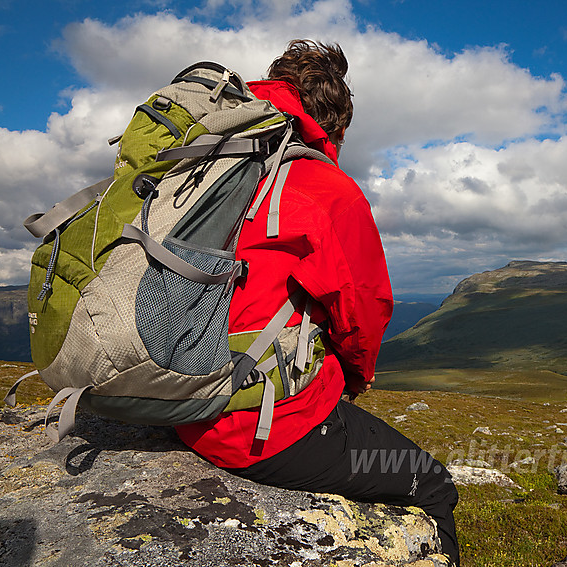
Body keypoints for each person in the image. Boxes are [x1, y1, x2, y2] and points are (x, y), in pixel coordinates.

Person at [174, 40, 460, 565]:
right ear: (339, 126)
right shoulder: (326, 187)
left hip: (173, 397)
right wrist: (352, 379)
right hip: (253, 426)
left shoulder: (205, 166)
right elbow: (363, 309)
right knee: (435, 484)